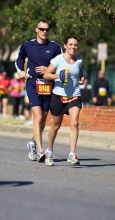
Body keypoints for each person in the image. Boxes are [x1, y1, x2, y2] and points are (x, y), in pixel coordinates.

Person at [15, 19, 62, 162]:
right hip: (33, 83)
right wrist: (21, 72)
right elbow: (19, 59)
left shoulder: (55, 46)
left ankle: (32, 143)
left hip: (49, 85)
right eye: (41, 29)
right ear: (36, 30)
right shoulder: (27, 45)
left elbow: (61, 63)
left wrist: (48, 70)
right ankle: (41, 150)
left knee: (43, 118)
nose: (44, 31)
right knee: (38, 116)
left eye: (47, 29)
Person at [43, 36, 85, 166]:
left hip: (74, 95)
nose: (73, 47)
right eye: (70, 44)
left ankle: (72, 154)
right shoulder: (58, 59)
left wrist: (82, 78)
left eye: (75, 45)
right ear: (65, 45)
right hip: (58, 96)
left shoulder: (79, 60)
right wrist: (58, 76)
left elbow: (79, 74)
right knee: (56, 125)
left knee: (74, 122)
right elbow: (46, 75)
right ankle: (49, 150)